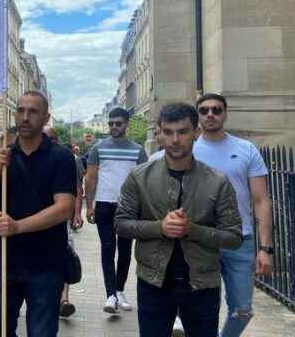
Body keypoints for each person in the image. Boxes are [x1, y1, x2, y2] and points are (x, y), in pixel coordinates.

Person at [115, 103, 243, 336]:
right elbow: (121, 224)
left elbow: (234, 237)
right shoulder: (139, 177)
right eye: (168, 132)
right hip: (153, 282)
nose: (175, 140)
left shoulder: (217, 181)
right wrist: (160, 228)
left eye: (182, 132)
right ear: (160, 134)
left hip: (202, 284)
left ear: (196, 133)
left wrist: (191, 229)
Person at [0, 91, 77, 337]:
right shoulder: (1, 154)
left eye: (33, 111)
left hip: (46, 263)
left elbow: (64, 208)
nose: (25, 117)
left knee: (41, 331)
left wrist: (18, 226)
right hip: (5, 260)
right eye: (20, 111)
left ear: (46, 118)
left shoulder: (60, 157)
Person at [193, 93, 274, 337]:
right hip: (200, 240)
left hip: (240, 239)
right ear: (198, 115)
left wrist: (266, 248)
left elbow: (261, 200)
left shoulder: (246, 149)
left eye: (216, 110)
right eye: (205, 110)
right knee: (200, 307)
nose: (210, 114)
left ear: (225, 114)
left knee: (242, 310)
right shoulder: (189, 151)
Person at [85, 107, 147, 314]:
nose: (114, 127)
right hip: (104, 204)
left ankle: (120, 290)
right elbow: (91, 177)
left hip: (129, 207)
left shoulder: (138, 150)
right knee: (107, 248)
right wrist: (90, 204)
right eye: (111, 123)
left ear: (126, 124)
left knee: (126, 251)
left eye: (118, 123)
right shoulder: (98, 148)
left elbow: (144, 181)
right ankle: (110, 294)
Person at [43, 126, 85, 319]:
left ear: (57, 140)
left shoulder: (68, 159)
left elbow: (77, 188)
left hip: (61, 221)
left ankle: (64, 300)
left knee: (64, 256)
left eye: (51, 138)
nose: (48, 142)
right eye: (44, 138)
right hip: (36, 223)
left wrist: (77, 213)